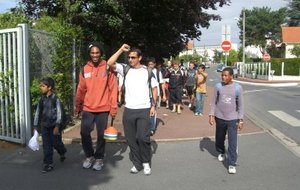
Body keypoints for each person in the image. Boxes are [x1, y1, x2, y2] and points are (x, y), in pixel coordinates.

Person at [107, 44, 158, 176]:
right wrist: (120, 50)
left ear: (139, 58)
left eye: (133, 57)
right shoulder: (125, 69)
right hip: (129, 110)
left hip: (144, 109)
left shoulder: (147, 71)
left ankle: (146, 162)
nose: (130, 59)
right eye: (129, 57)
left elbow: (154, 88)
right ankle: (137, 163)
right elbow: (110, 62)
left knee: (143, 138)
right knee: (130, 139)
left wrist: (153, 105)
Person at [75, 41, 118, 171]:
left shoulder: (108, 68)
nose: (95, 55)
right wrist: (78, 107)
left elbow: (113, 88)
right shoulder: (84, 69)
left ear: (101, 53)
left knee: (101, 135)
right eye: (92, 53)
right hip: (88, 108)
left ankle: (99, 158)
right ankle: (89, 156)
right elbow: (80, 89)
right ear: (89, 54)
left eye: (97, 52)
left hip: (103, 108)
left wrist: (113, 107)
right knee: (84, 132)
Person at [208, 67, 244, 174]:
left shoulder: (237, 88)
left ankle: (232, 163)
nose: (223, 77)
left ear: (231, 76)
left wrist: (241, 119)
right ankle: (221, 151)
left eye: (226, 75)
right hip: (220, 117)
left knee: (232, 141)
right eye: (222, 75)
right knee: (219, 138)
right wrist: (211, 115)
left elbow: (241, 105)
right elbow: (214, 101)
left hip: (233, 118)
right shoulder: (218, 86)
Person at [33, 77, 67, 173]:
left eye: (43, 86)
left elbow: (60, 113)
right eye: (41, 86)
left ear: (49, 87)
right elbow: (37, 113)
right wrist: (35, 126)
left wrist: (57, 126)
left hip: (54, 126)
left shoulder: (55, 99)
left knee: (56, 143)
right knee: (47, 145)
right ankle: (48, 164)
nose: (41, 87)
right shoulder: (41, 99)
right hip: (45, 126)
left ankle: (62, 151)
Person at [147, 57, 166, 135]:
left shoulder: (158, 72)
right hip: (146, 95)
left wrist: (164, 94)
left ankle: (152, 128)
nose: (150, 65)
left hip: (155, 95)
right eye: (149, 64)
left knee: (153, 112)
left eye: (152, 64)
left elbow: (162, 83)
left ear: (154, 64)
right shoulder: (145, 71)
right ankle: (146, 127)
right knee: (146, 112)